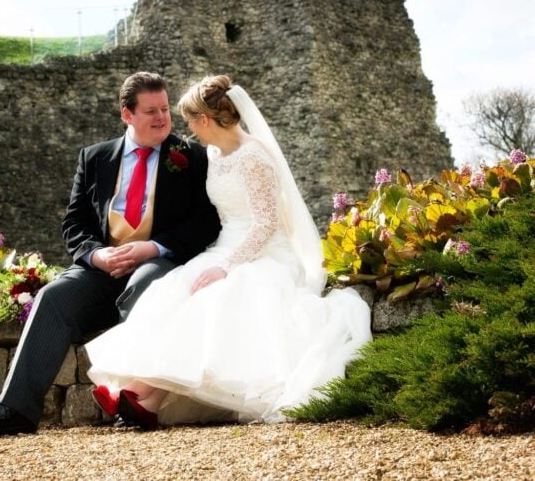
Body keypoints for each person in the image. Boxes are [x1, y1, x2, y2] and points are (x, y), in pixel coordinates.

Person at [86, 75, 372, 429]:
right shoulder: (214, 154)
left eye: (190, 122)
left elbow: (266, 224)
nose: (188, 131)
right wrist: (218, 260)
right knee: (176, 292)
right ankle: (145, 400)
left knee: (216, 295)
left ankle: (139, 391)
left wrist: (227, 266)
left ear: (204, 120)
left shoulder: (254, 156)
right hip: (222, 249)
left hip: (264, 254)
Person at [0, 72, 221, 437]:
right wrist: (96, 256)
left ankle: (134, 401)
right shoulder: (94, 157)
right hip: (100, 270)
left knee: (145, 285)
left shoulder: (192, 158)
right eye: (151, 111)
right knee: (53, 297)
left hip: (160, 263)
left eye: (165, 109)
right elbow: (74, 223)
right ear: (127, 115)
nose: (162, 117)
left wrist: (154, 247)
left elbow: (207, 222)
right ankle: (14, 411)